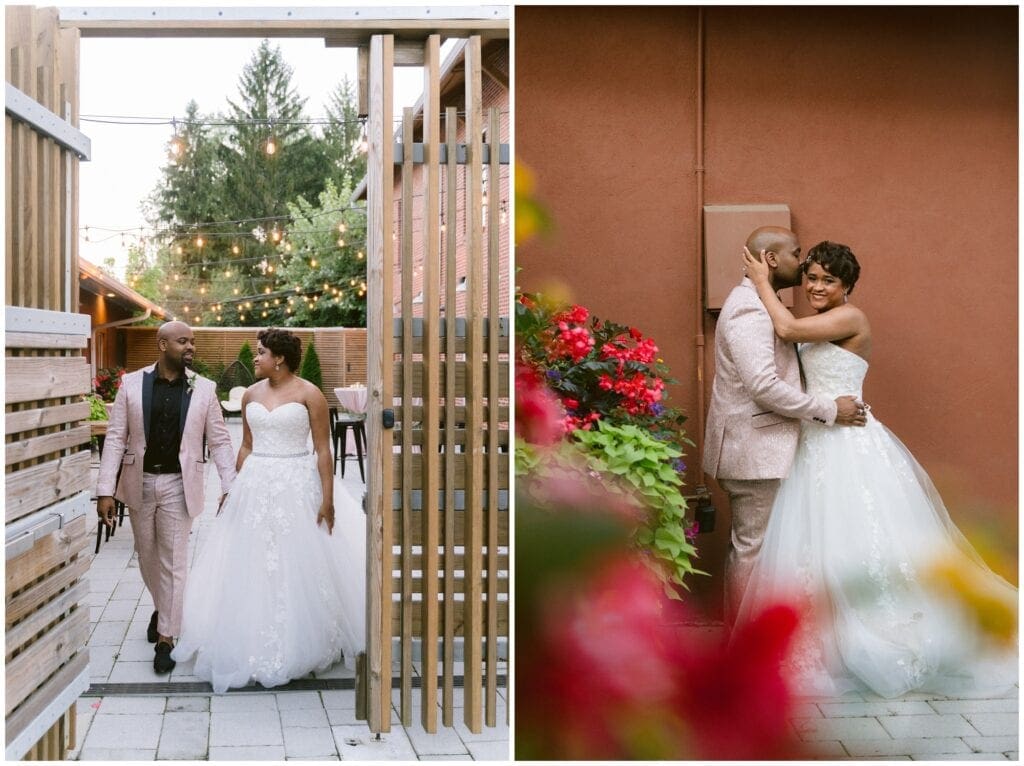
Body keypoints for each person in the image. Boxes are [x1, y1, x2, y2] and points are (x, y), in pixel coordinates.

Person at [738, 240, 1017, 698]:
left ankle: (894, 636)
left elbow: (785, 329)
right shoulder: (820, 321)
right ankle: (822, 641)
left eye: (829, 280)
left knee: (862, 536)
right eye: (811, 278)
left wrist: (761, 281)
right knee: (818, 542)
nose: (817, 286)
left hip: (850, 444)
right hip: (817, 439)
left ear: (847, 286)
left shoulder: (851, 318)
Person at [172, 328, 364, 692]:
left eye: (261, 353)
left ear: (279, 358)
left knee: (297, 562)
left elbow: (324, 450)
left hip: (297, 482)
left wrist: (328, 498)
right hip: (256, 484)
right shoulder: (250, 395)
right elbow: (245, 445)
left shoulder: (311, 394)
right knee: (252, 561)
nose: (255, 359)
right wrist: (232, 488)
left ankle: (304, 635)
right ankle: (250, 634)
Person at [703, 226, 867, 629]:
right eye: (798, 256)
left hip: (780, 445)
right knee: (754, 551)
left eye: (826, 277)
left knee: (767, 549)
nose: (804, 262)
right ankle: (741, 646)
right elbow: (763, 386)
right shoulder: (748, 308)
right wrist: (829, 410)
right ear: (772, 260)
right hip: (756, 448)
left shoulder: (767, 304)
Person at [96, 321, 236, 674]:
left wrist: (230, 485)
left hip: (179, 483)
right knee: (146, 557)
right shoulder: (131, 385)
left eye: (192, 341)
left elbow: (219, 440)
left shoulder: (204, 389)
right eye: (182, 341)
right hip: (138, 482)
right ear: (162, 345)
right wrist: (105, 490)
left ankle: (167, 638)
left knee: (174, 560)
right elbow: (115, 438)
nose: (190, 346)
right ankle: (164, 608)